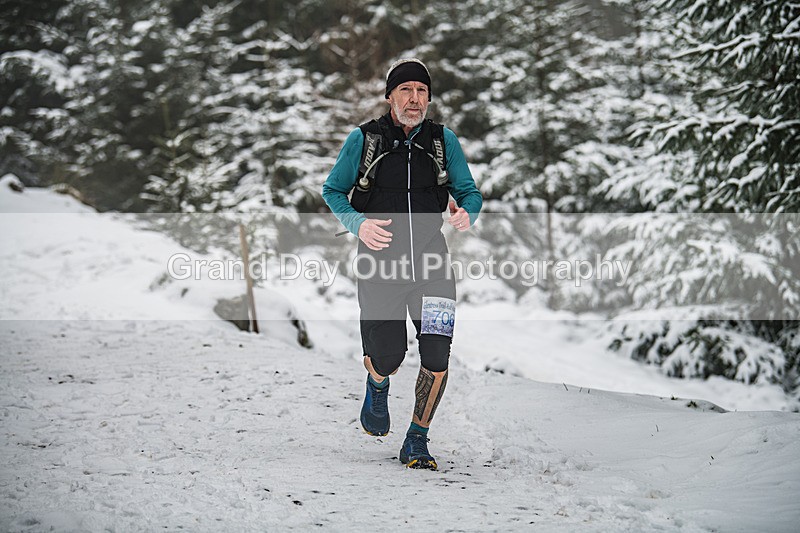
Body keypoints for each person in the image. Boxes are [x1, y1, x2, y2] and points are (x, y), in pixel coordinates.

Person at [322, 58, 482, 470]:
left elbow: (469, 192)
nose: (414, 99)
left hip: (433, 266)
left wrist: (468, 212)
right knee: (388, 355)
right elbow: (333, 190)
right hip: (381, 267)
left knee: (437, 354)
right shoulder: (365, 139)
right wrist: (358, 224)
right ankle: (377, 382)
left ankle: (417, 438)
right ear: (390, 95)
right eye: (406, 90)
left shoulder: (443, 141)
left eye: (422, 91)